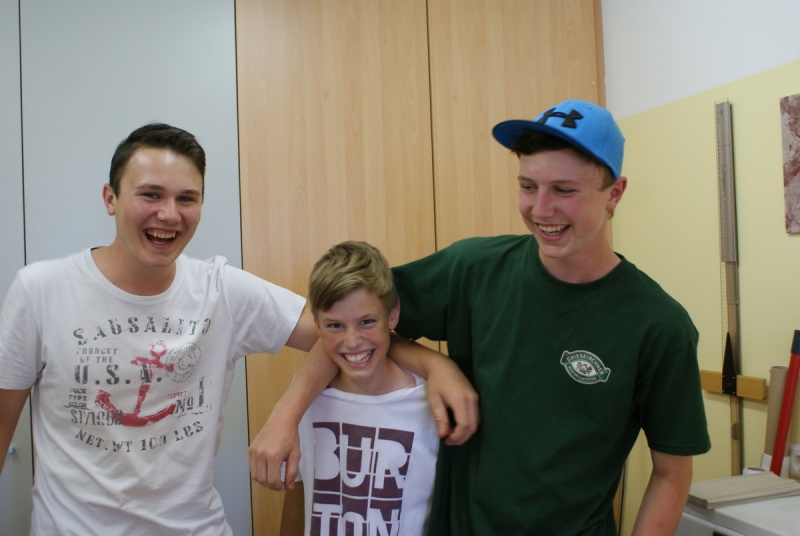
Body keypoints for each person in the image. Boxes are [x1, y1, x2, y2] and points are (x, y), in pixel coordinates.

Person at [256, 100, 711, 535]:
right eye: (528, 186)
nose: (541, 209)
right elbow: (343, 325)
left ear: (615, 194)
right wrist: (287, 415)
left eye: (564, 190)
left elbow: (671, 473)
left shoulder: (657, 325)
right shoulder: (472, 270)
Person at [0, 123, 475, 535]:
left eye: (187, 199)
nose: (169, 214)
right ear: (110, 198)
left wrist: (438, 367)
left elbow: (340, 335)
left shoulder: (222, 290)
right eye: (150, 194)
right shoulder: (41, 291)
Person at [280, 241, 437, 536]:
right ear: (317, 324)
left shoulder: (430, 402)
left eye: (366, 322)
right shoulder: (304, 397)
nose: (352, 342)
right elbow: (299, 494)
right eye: (335, 326)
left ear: (393, 314)